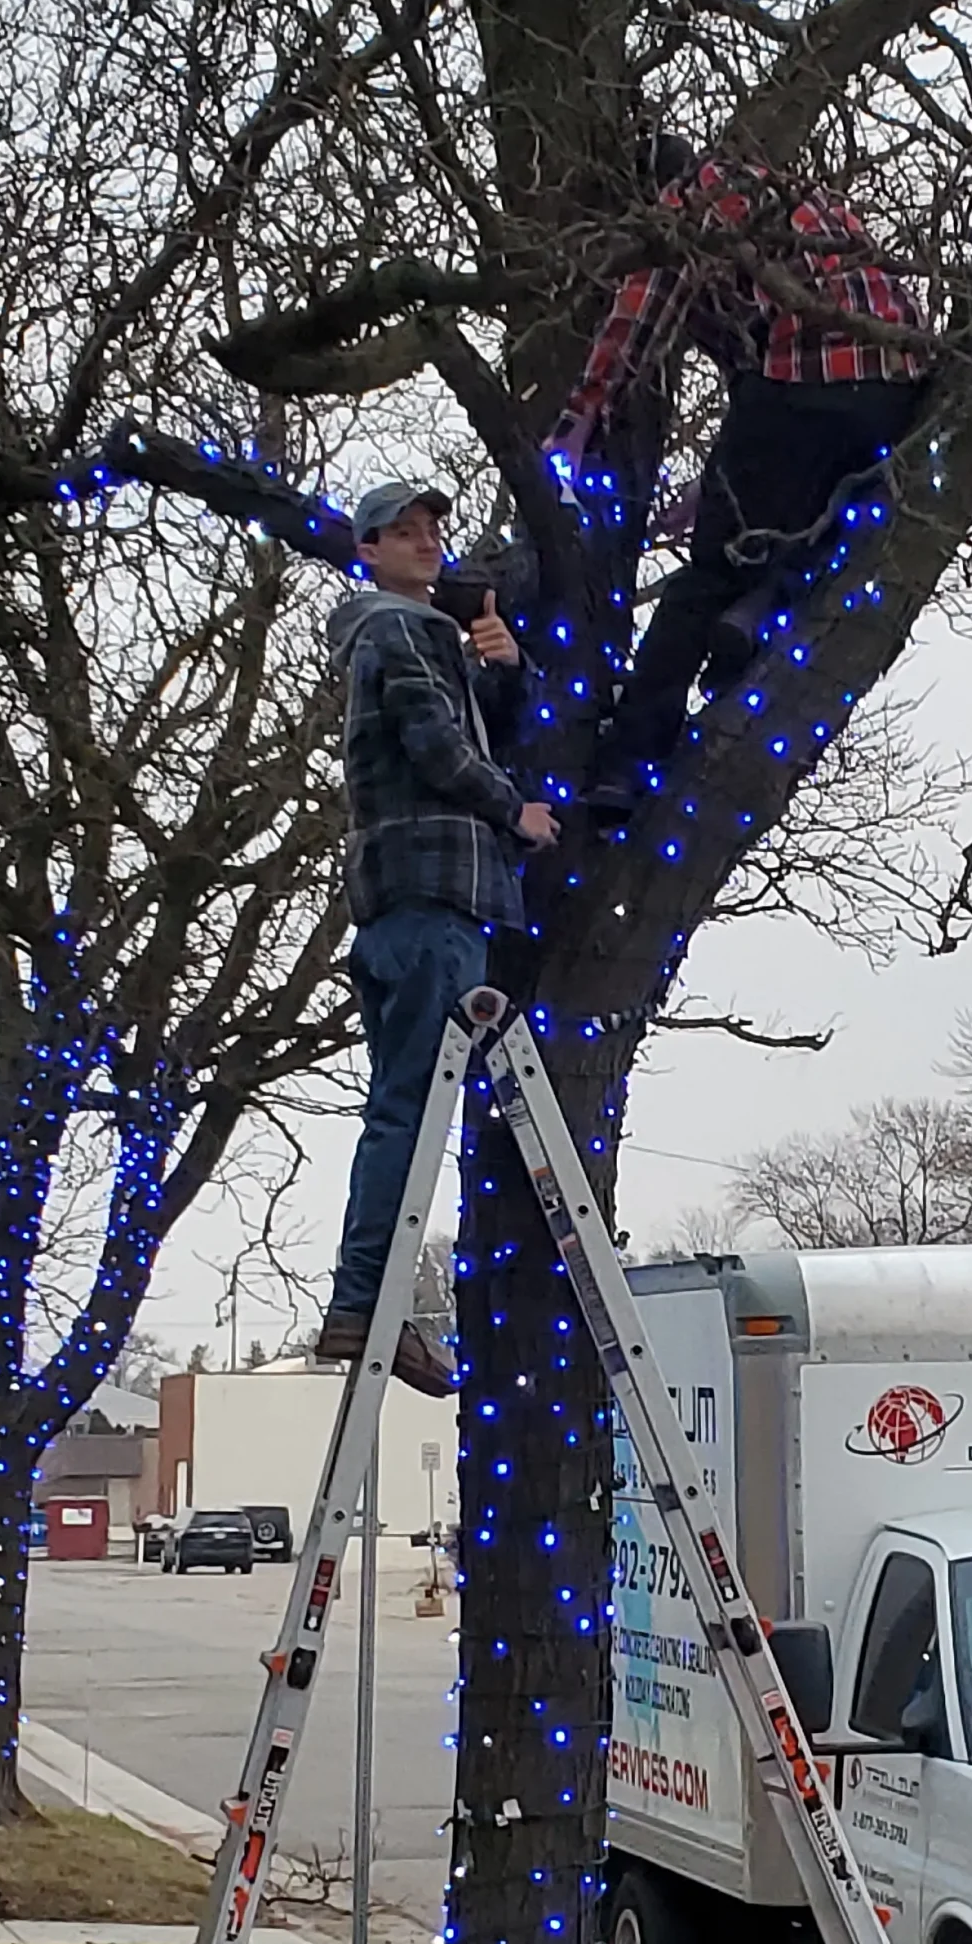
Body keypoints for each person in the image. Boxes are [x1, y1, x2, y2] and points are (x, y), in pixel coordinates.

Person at [545, 144, 928, 821]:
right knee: (814, 529)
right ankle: (755, 616)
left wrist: (583, 414)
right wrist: (713, 484)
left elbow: (641, 310)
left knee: (704, 578)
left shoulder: (683, 206)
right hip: (893, 388)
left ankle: (624, 767)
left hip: (800, 387)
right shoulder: (794, 191)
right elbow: (760, 367)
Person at [317, 479, 560, 1384]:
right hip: (434, 895)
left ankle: (364, 1303)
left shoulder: (418, 641)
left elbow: (465, 728)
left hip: (403, 901)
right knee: (412, 1109)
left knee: (401, 1105)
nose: (425, 543)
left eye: (432, 531)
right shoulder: (397, 629)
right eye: (403, 532)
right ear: (369, 549)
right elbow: (438, 749)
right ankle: (363, 1302)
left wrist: (500, 672)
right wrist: (515, 812)